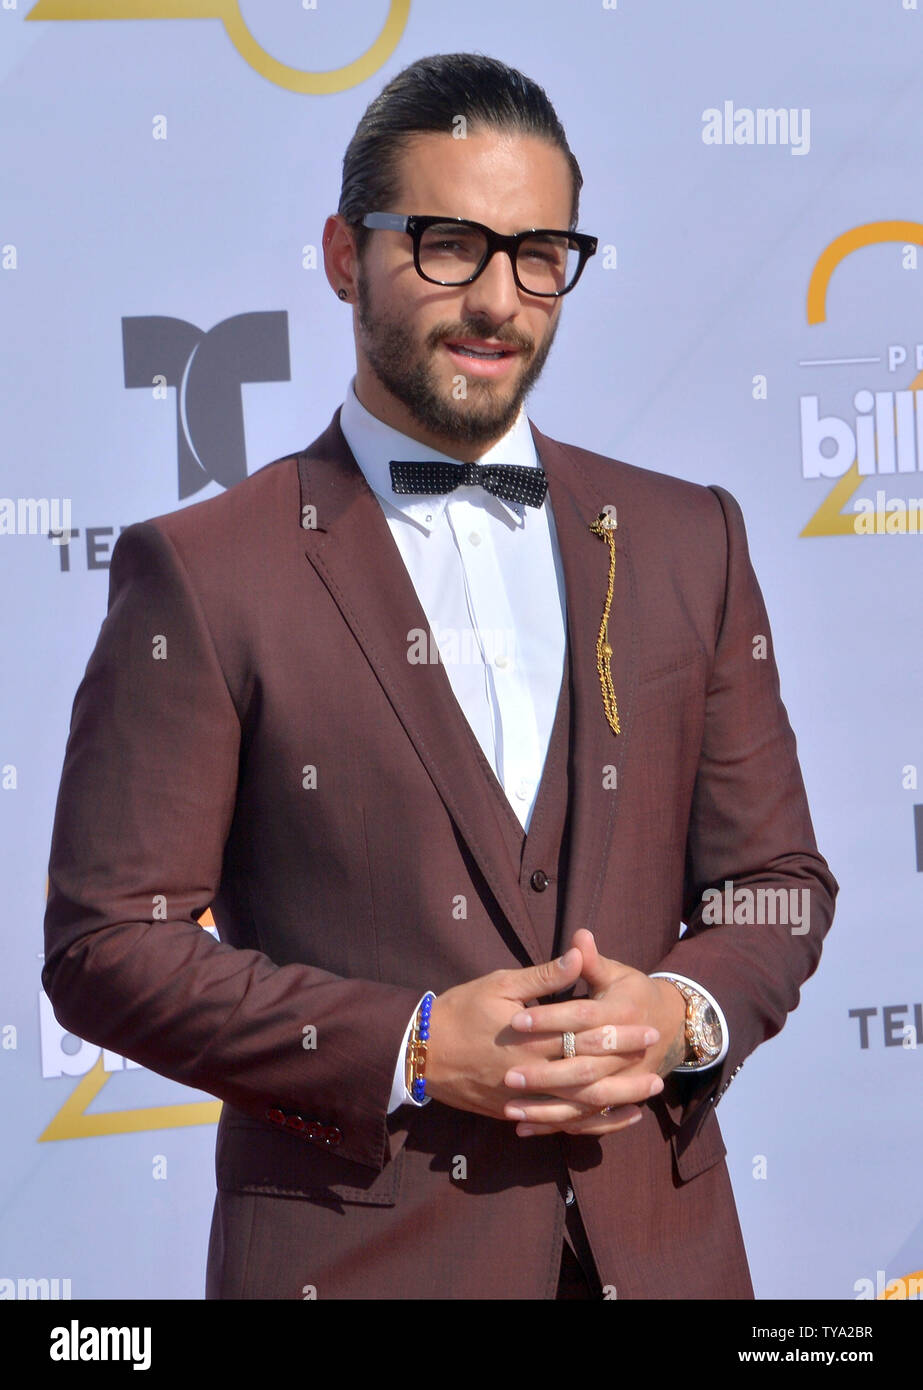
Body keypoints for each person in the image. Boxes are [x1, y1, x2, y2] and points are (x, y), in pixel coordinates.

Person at [43, 53, 837, 1300]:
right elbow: (108, 946)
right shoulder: (202, 573)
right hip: (354, 1264)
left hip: (668, 1264)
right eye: (448, 243)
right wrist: (410, 1047)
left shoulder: (689, 538)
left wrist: (675, 1012)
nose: (498, 300)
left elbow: (775, 886)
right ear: (342, 255)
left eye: (537, 254)